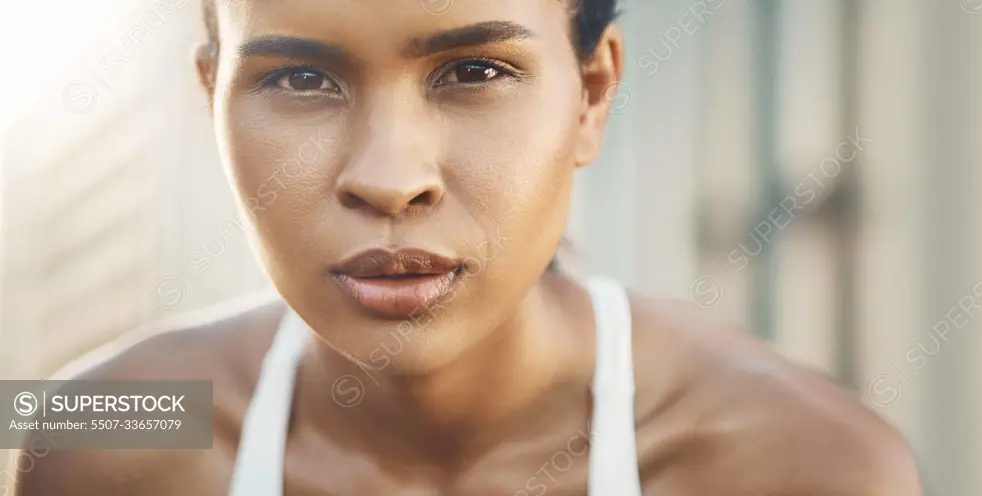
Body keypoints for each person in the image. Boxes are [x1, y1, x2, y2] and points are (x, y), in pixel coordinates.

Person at [16, 0, 922, 494]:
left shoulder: (798, 464)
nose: (388, 176)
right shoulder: (100, 434)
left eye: (474, 71)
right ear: (210, 95)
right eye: (300, 76)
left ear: (591, 93)